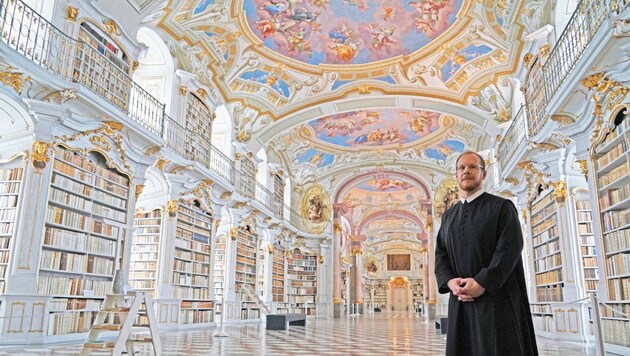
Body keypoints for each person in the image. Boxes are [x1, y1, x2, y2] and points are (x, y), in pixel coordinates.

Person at [434, 151, 538, 356]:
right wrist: (450, 282)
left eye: (473, 167)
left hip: (496, 299)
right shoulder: (447, 217)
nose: (466, 171)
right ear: (456, 175)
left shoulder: (502, 207)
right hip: (460, 300)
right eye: (461, 168)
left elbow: (509, 249)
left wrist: (482, 283)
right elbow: (441, 255)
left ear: (483, 174)